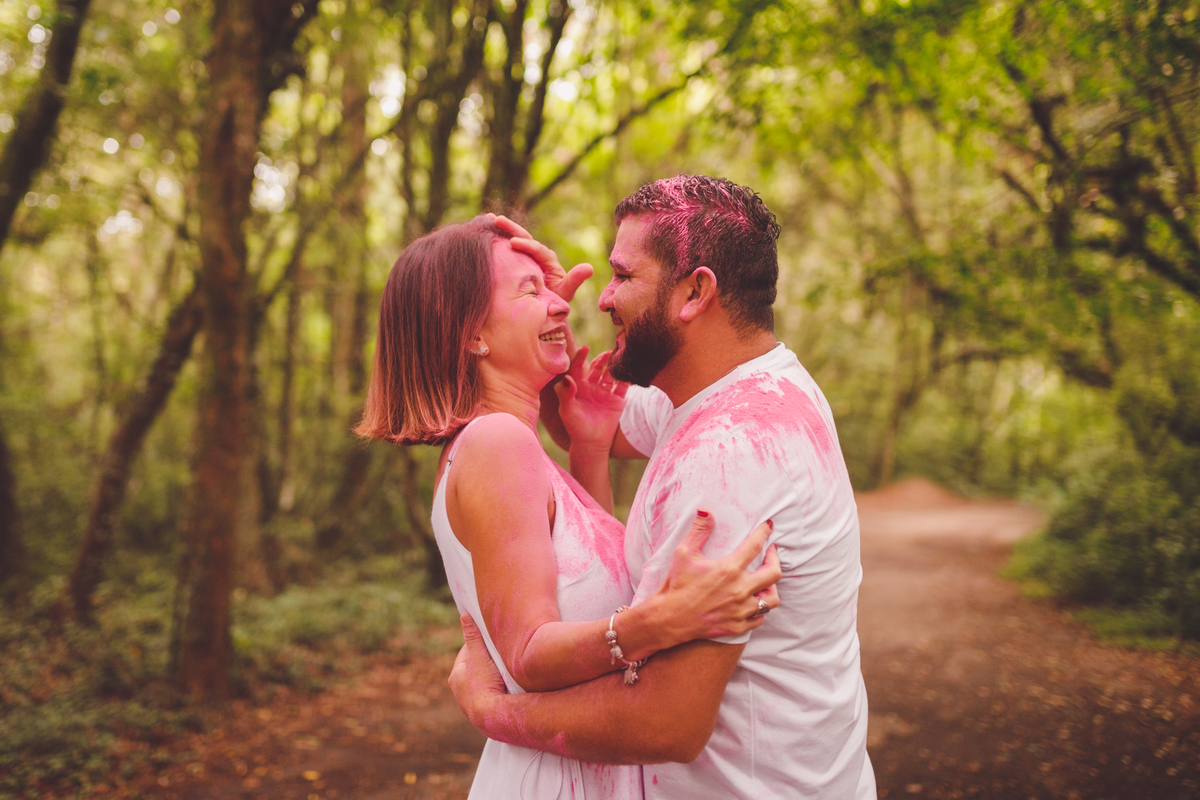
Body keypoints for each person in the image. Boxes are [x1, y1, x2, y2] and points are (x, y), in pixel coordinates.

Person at [449, 176, 877, 799]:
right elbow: (587, 420)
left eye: (622, 276)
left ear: (695, 292)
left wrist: (493, 713)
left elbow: (662, 722)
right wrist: (541, 324)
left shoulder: (730, 454)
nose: (603, 297)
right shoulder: (736, 389)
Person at [355, 215, 782, 799]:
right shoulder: (496, 444)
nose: (560, 304)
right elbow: (529, 653)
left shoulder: (515, 450)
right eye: (530, 292)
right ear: (470, 333)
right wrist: (661, 622)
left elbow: (594, 582)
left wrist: (590, 446)